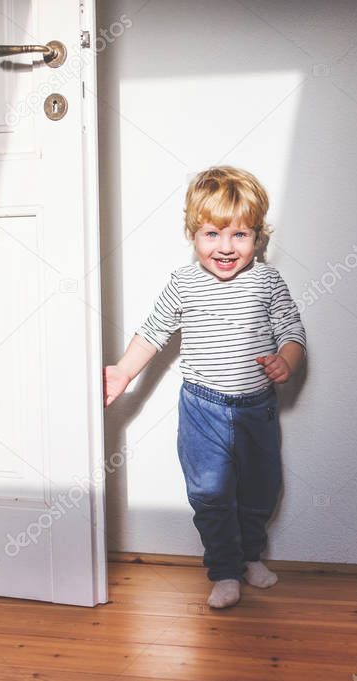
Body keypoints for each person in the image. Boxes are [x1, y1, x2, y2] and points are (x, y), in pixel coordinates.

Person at [104, 166, 307, 609]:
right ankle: (225, 570)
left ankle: (251, 556)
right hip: (202, 409)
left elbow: (293, 331)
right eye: (213, 234)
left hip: (257, 409)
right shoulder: (183, 283)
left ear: (258, 236)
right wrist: (123, 372)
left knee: (261, 490)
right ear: (193, 233)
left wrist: (285, 362)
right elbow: (153, 333)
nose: (226, 247)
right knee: (210, 494)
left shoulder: (267, 281)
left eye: (241, 235)